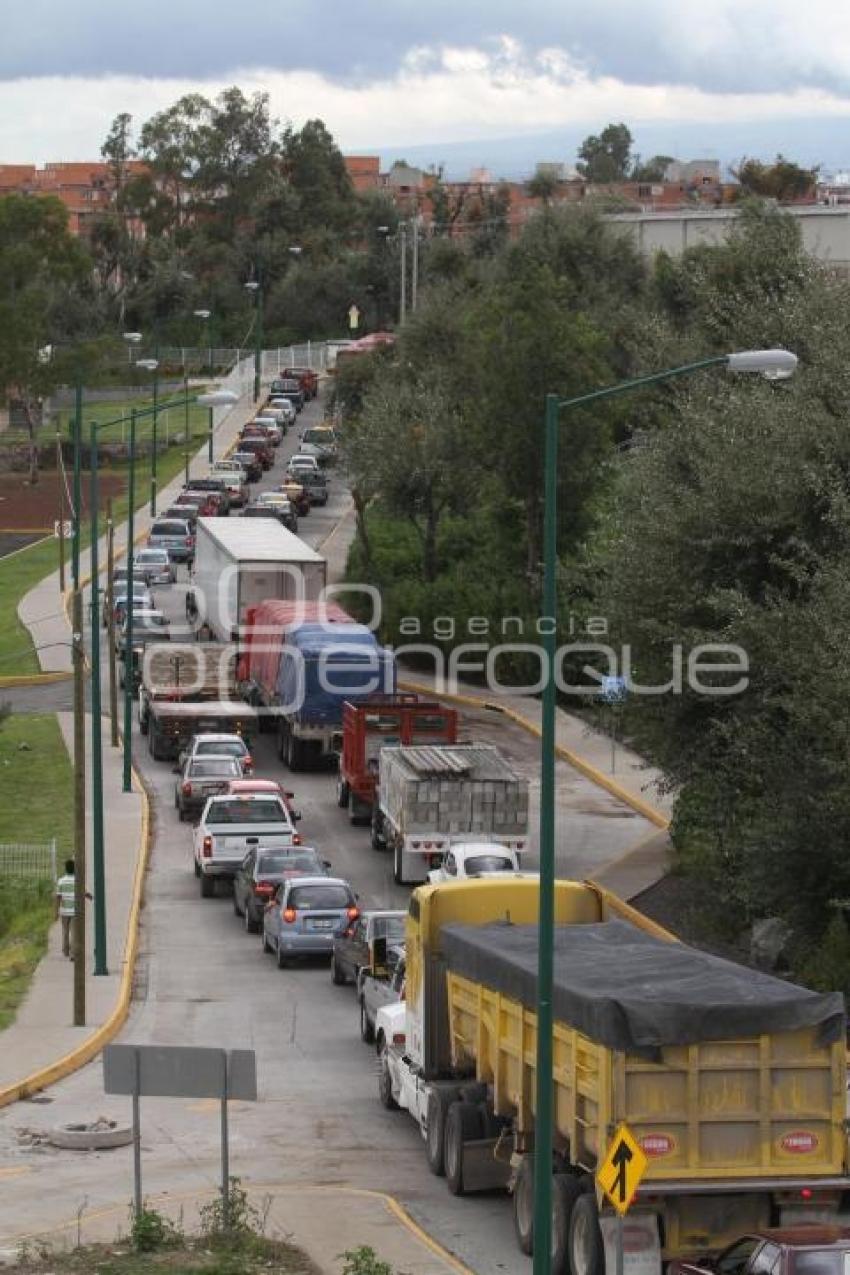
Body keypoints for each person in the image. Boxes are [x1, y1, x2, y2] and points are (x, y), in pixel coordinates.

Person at [54, 859, 91, 960]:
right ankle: (73, 953)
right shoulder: (78, 880)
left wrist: (56, 912)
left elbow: (58, 897)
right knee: (74, 932)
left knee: (65, 931)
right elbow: (84, 892)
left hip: (64, 911)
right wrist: (90, 896)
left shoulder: (61, 881)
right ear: (75, 869)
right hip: (75, 911)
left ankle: (66, 950)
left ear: (66, 869)